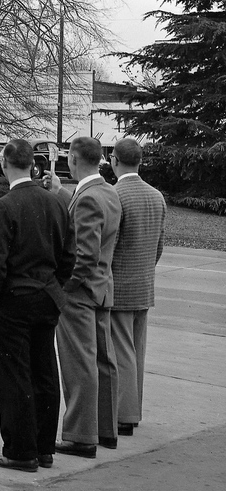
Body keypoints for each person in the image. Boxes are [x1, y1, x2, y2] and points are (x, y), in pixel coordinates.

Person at [0, 138, 74, 472]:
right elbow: (68, 257)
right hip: (47, 297)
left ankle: (19, 449)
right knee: (44, 371)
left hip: (13, 300)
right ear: (33, 163)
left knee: (14, 374)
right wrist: (54, 285)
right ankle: (44, 448)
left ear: (6, 163)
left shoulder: (3, 206)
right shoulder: (57, 203)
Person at [45, 136, 122, 458]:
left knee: (79, 365)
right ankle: (105, 430)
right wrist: (61, 193)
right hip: (103, 289)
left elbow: (84, 254)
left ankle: (81, 436)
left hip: (81, 293)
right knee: (104, 363)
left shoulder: (88, 197)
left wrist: (66, 289)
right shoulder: (107, 192)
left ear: (74, 159)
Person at [109, 138, 166, 437]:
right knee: (137, 351)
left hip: (119, 287)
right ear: (140, 161)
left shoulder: (115, 195)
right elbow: (158, 247)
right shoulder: (157, 197)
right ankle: (134, 410)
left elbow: (111, 245)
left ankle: (124, 415)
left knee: (121, 353)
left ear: (115, 160)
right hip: (144, 286)